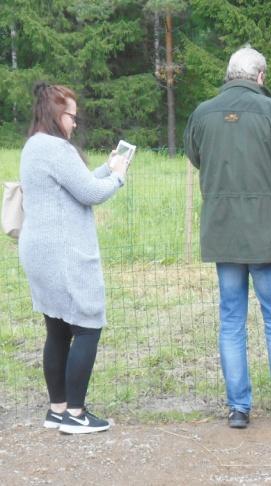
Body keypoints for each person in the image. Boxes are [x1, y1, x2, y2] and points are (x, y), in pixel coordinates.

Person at [183, 45, 271, 429]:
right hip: (265, 237)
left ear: (230, 74)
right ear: (260, 76)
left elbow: (195, 155)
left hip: (223, 234)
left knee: (231, 320)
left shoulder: (202, 113)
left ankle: (238, 408)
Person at [19, 83, 129, 434]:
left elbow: (74, 184)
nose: (75, 123)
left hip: (38, 251)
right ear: (56, 114)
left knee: (57, 328)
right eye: (71, 116)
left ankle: (58, 409)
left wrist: (105, 167)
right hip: (64, 253)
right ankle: (76, 415)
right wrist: (119, 177)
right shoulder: (58, 149)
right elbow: (91, 193)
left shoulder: (33, 146)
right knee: (88, 326)